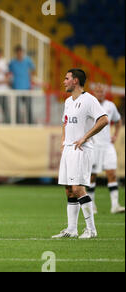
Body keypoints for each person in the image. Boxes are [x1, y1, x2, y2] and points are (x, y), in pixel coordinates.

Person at [52, 69, 108, 239]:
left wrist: (85, 137)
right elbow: (65, 122)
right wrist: (63, 141)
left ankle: (91, 230)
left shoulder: (89, 100)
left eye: (66, 78)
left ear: (75, 81)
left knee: (78, 188)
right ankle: (72, 229)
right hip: (69, 148)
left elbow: (104, 119)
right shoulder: (68, 101)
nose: (64, 81)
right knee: (69, 190)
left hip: (81, 149)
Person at [87, 83, 125, 214]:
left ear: (105, 93)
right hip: (94, 145)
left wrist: (115, 135)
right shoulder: (90, 106)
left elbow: (118, 121)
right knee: (92, 176)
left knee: (112, 173)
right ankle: (91, 205)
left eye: (102, 91)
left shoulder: (110, 106)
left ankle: (115, 205)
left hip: (107, 145)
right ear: (94, 93)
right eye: (97, 91)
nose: (100, 94)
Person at [8, 45, 36, 124]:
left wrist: (31, 78)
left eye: (21, 52)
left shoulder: (27, 61)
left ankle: (30, 123)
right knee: (17, 108)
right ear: (16, 53)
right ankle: (18, 123)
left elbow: (33, 70)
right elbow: (8, 72)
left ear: (23, 52)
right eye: (18, 52)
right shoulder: (12, 62)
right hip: (16, 87)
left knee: (28, 107)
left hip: (26, 87)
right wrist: (10, 82)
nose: (20, 54)